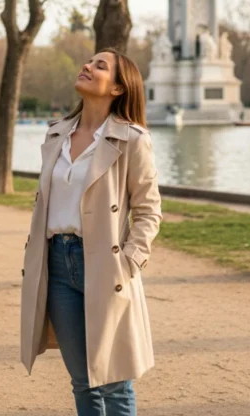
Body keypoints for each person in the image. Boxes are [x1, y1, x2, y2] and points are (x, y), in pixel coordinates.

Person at [20, 49, 162, 415]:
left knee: (114, 381)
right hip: (57, 265)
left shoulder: (132, 140)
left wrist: (129, 262)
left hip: (105, 264)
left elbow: (148, 211)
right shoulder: (56, 134)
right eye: (88, 61)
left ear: (117, 87)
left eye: (100, 66)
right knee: (82, 381)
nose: (87, 66)